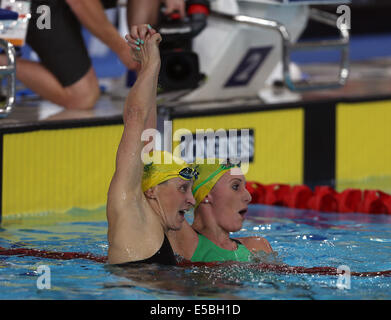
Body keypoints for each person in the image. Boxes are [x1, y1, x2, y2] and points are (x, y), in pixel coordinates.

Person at [106, 24, 197, 266]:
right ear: (152, 190)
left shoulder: (153, 221)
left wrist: (147, 68)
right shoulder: (129, 210)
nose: (192, 200)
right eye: (182, 188)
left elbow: (145, 128)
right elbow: (135, 118)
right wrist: (154, 63)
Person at [0, 0, 185, 110]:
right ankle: (2, 60)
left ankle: (143, 72)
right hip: (35, 6)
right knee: (82, 97)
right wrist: (121, 48)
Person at [167, 160, 274, 263]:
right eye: (235, 186)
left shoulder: (258, 247)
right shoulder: (186, 242)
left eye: (245, 187)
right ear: (206, 195)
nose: (248, 197)